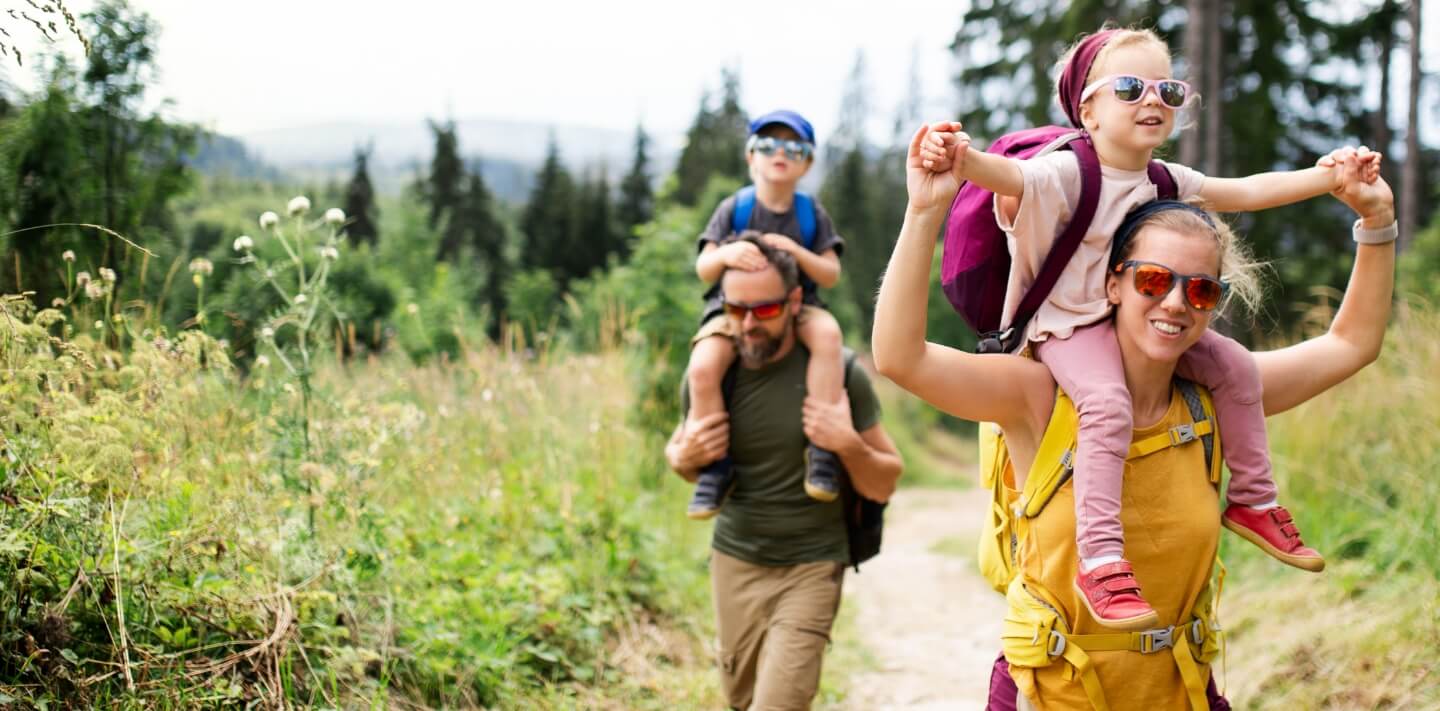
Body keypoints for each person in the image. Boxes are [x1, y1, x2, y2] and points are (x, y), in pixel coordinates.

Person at [876, 120, 1394, 708]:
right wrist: (924, 212)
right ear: (1113, 285)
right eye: (1153, 280)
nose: (1175, 303)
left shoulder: (1219, 400)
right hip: (1052, 694)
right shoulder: (1039, 396)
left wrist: (1377, 222)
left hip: (1182, 694)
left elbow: (1352, 345)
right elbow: (900, 358)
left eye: (1201, 291)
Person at [916, 27, 1382, 629]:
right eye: (1130, 88)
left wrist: (1329, 178)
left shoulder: (1162, 180)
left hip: (1124, 321)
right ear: (1088, 109)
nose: (1153, 100)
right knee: (1106, 404)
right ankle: (1100, 559)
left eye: (1169, 89)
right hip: (1067, 329)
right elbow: (1006, 177)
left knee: (1237, 367)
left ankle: (1252, 500)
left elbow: (1243, 192)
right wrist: (957, 158)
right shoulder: (1065, 172)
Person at [666, 234, 904, 710]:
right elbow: (686, 459)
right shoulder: (713, 373)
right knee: (741, 699)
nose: (749, 324)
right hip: (735, 561)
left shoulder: (840, 374)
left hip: (812, 565)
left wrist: (847, 443)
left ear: (795, 302)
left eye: (766, 310)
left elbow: (886, 478)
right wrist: (682, 456)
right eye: (735, 310)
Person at [685, 110, 852, 520]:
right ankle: (715, 465)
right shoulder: (735, 208)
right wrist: (726, 253)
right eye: (768, 146)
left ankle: (821, 449)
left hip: (799, 305)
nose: (780, 154)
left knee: (829, 338)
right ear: (751, 157)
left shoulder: (810, 213)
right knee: (703, 366)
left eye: (794, 149)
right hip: (733, 308)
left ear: (807, 163)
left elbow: (830, 273)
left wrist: (796, 252)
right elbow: (704, 267)